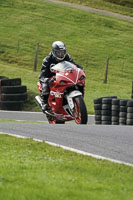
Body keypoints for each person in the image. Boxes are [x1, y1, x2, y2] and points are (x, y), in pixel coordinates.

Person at [39, 41, 83, 112]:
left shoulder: (67, 57)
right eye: (58, 52)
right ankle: (44, 103)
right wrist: (47, 80)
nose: (60, 54)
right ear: (54, 52)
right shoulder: (47, 60)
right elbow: (42, 74)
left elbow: (73, 65)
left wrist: (79, 68)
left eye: (62, 52)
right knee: (46, 87)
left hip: (64, 76)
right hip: (51, 77)